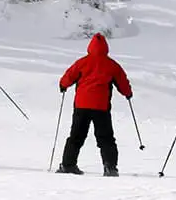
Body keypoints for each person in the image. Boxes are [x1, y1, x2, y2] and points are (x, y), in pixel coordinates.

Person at [56, 33, 133, 177]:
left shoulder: (82, 62)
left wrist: (63, 85)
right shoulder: (112, 65)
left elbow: (69, 76)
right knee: (105, 138)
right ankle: (110, 167)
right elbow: (122, 82)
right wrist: (127, 93)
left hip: (81, 106)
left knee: (76, 136)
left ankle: (68, 165)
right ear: (106, 48)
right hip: (101, 107)